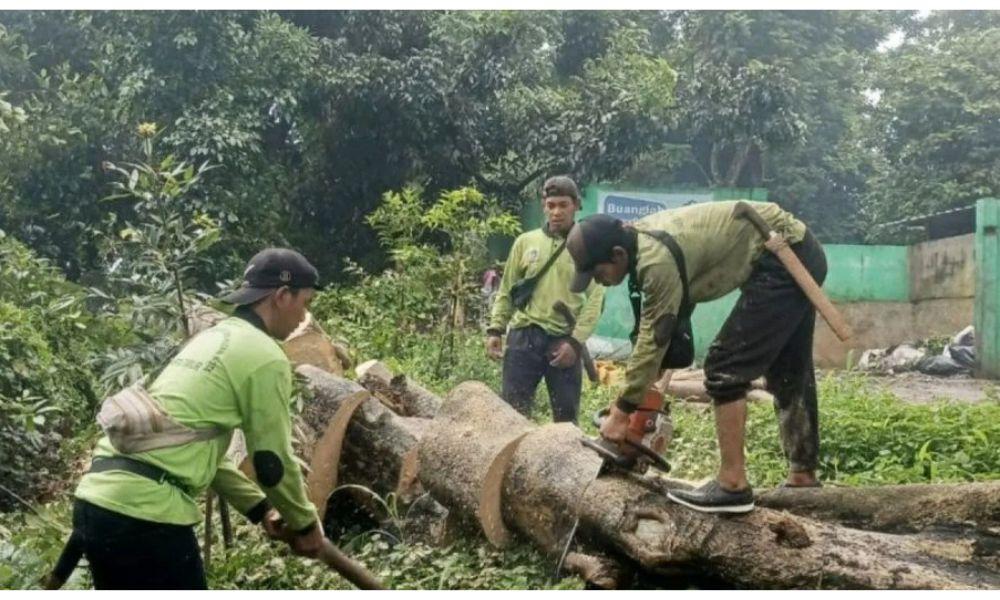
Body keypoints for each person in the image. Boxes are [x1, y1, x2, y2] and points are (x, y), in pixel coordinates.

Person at [69, 248, 327, 588]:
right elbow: (271, 461)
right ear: (282, 296)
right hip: (145, 516)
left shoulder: (210, 338)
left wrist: (261, 510)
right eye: (305, 303)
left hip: (97, 500)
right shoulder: (266, 357)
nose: (304, 318)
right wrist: (306, 524)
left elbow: (202, 454)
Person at [566, 201, 827, 513]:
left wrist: (621, 414)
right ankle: (802, 478)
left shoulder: (654, 262)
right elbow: (665, 344)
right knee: (788, 369)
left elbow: (654, 339)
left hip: (784, 251)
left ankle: (733, 485)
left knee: (724, 366)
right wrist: (641, 406)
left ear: (617, 256)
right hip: (794, 246)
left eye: (597, 272)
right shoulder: (638, 246)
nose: (597, 281)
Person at [486, 176, 605, 423]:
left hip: (563, 342)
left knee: (565, 423)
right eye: (551, 205)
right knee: (511, 416)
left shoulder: (588, 247)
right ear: (544, 207)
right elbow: (506, 289)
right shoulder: (525, 242)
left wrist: (574, 343)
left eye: (563, 205)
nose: (557, 212)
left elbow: (595, 301)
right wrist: (496, 330)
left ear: (576, 205)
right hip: (523, 338)